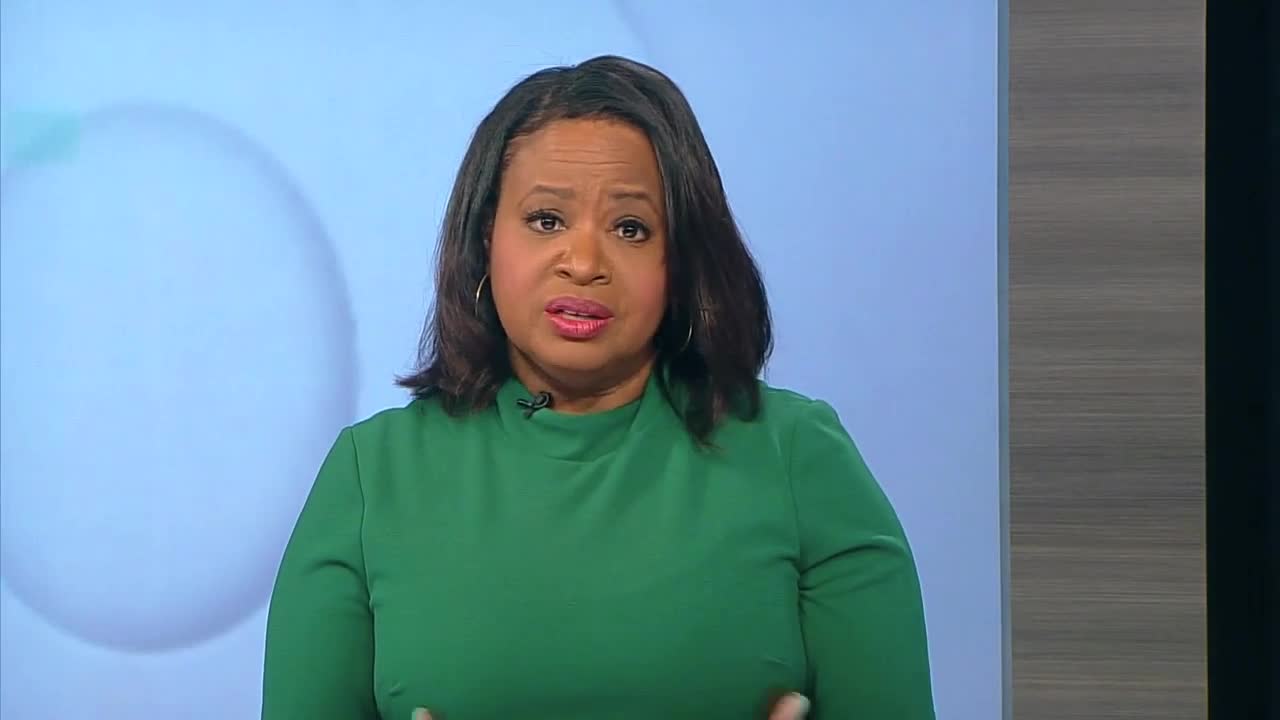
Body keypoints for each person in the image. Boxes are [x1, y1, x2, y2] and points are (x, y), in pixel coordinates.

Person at [261, 55, 935, 719]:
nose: (584, 262)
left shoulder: (797, 457)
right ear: (485, 238)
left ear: (681, 260)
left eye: (630, 228)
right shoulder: (371, 476)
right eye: (546, 220)